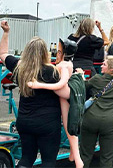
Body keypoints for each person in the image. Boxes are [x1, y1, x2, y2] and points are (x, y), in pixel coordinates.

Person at [0, 21, 61, 168]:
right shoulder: (52, 71)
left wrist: (6, 32)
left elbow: (2, 54)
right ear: (45, 53)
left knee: (27, 158)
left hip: (25, 121)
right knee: (49, 161)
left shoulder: (19, 67)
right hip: (48, 124)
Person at [27, 39, 85, 168]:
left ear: (64, 54)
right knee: (67, 124)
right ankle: (74, 154)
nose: (56, 54)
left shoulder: (64, 65)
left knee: (69, 124)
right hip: (63, 95)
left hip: (65, 92)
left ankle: (77, 157)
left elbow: (60, 83)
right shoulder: (67, 63)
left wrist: (39, 85)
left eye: (59, 52)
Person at [80, 56, 113, 168]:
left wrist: (81, 76)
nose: (101, 66)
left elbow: (83, 87)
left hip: (91, 119)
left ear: (111, 69)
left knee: (85, 154)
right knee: (107, 156)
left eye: (104, 64)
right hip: (111, 122)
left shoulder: (97, 78)